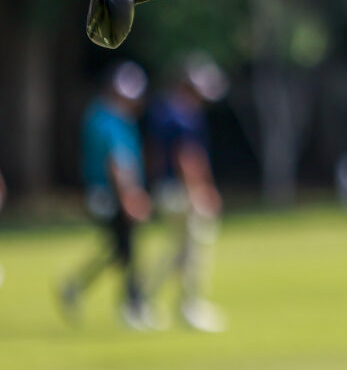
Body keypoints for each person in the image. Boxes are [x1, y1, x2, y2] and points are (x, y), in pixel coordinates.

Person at [60, 61, 156, 330]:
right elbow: (117, 162)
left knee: (121, 250)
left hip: (107, 193)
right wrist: (130, 197)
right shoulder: (108, 119)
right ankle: (133, 306)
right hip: (109, 194)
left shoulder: (109, 116)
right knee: (128, 249)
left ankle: (75, 286)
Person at [144, 53, 229, 332]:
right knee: (192, 250)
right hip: (181, 190)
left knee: (178, 250)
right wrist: (199, 191)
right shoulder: (184, 115)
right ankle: (189, 306)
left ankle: (143, 299)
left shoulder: (163, 110)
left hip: (165, 188)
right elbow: (187, 157)